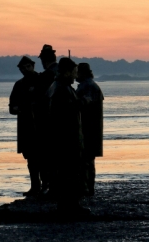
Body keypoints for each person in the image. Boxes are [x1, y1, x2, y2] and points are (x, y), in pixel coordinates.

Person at [48, 58, 89, 215]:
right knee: (69, 173)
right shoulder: (61, 89)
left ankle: (70, 204)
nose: (75, 75)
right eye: (73, 72)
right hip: (66, 139)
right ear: (66, 72)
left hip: (67, 138)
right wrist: (84, 102)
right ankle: (69, 206)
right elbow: (67, 111)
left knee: (69, 173)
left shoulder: (60, 87)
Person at [9, 56, 41, 196]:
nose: (25, 70)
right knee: (30, 159)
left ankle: (47, 185)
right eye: (23, 68)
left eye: (27, 66)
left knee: (44, 157)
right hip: (26, 127)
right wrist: (20, 108)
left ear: (33, 66)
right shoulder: (19, 85)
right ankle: (35, 186)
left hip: (41, 126)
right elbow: (11, 107)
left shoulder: (42, 81)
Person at [33, 44, 59, 194]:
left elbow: (41, 96)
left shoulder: (48, 75)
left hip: (47, 121)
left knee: (47, 156)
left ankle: (50, 186)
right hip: (56, 120)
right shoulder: (58, 73)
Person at [76, 62, 104, 197]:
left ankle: (86, 189)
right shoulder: (89, 85)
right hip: (90, 130)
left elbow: (84, 104)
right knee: (87, 161)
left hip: (88, 130)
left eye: (77, 72)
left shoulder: (88, 87)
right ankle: (87, 188)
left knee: (85, 161)